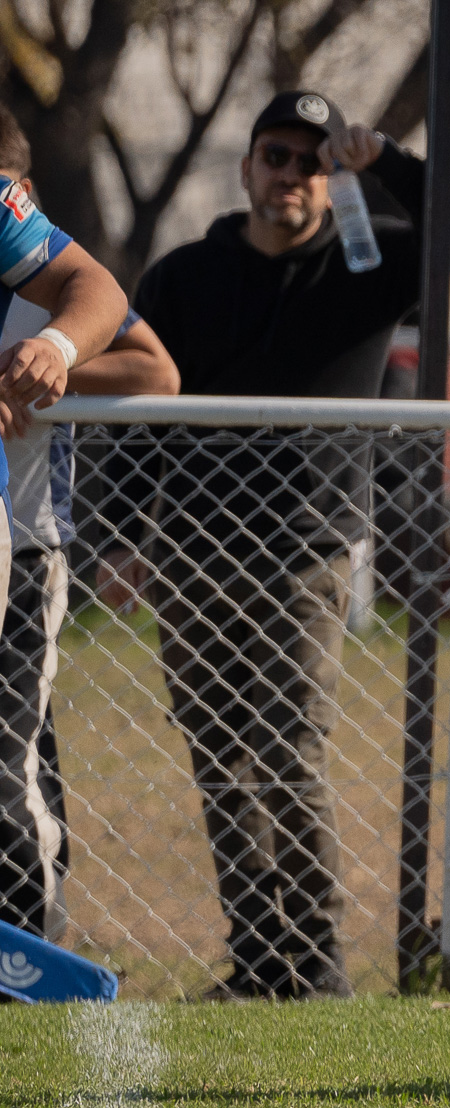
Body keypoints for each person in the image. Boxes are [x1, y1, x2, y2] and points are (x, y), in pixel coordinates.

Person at [96, 90, 450, 1000]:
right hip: (190, 554)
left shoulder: (371, 262)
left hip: (305, 552)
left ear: (330, 176)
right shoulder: (182, 276)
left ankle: (316, 964)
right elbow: (137, 425)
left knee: (288, 754)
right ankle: (259, 959)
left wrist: (381, 157)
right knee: (218, 760)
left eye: (313, 162)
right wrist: (117, 536)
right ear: (247, 167)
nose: (293, 176)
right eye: (277, 156)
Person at [0, 110, 180, 942]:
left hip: (25, 538)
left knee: (10, 765)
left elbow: (153, 364)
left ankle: (32, 947)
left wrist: (50, 360)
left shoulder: (16, 246)